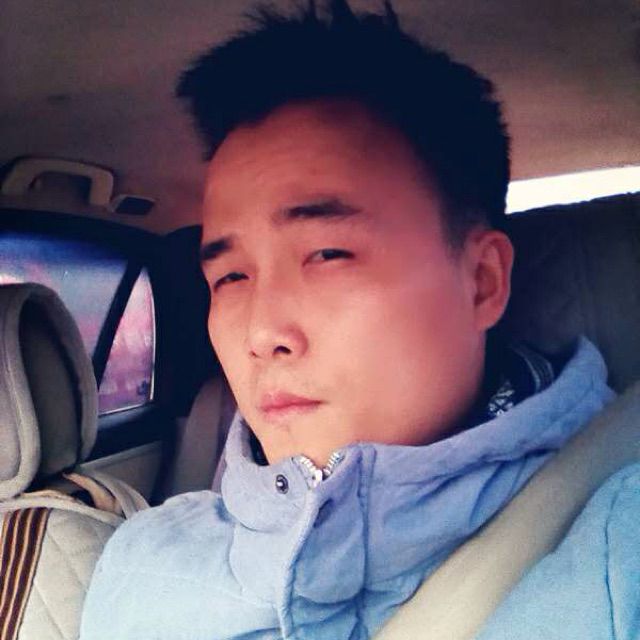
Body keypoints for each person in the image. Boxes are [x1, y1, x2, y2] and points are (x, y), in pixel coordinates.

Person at [79, 1, 634, 638]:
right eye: (231, 277)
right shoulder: (138, 567)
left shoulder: (614, 550)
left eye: (327, 254)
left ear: (482, 281)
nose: (261, 335)